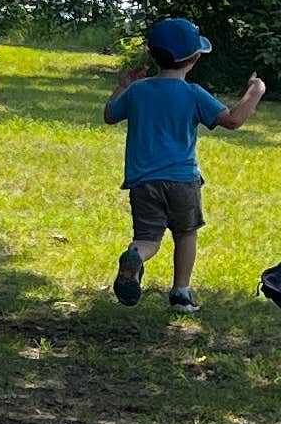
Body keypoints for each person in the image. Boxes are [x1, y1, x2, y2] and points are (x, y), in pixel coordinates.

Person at [105, 17, 265, 311]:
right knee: (185, 233)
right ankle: (181, 292)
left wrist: (124, 86)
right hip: (182, 180)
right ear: (194, 58)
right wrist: (255, 91)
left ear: (153, 56)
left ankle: (135, 257)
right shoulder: (193, 93)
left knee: (147, 238)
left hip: (143, 183)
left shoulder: (138, 92)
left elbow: (110, 115)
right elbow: (233, 120)